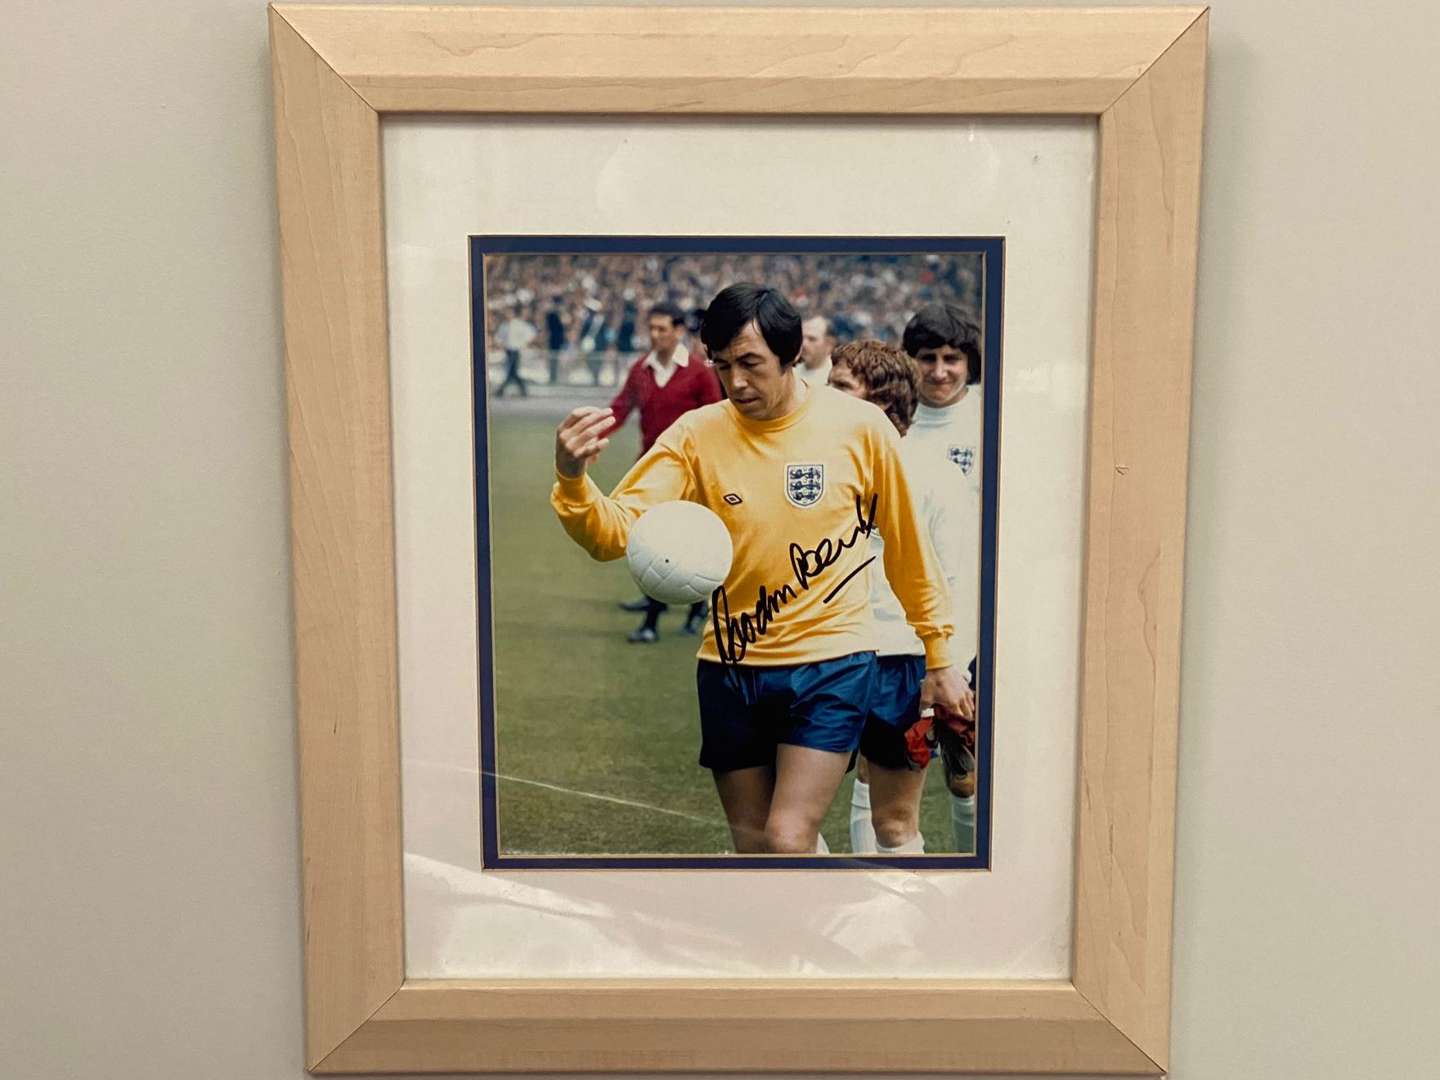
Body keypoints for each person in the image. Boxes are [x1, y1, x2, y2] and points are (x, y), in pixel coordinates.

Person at [550, 283, 973, 855]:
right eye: (721, 366)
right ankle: (797, 942)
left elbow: (908, 553)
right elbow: (615, 534)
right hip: (729, 665)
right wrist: (574, 480)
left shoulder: (861, 428)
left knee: (788, 837)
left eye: (750, 363)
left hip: (830, 663)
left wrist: (940, 655)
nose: (736, 382)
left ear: (791, 354)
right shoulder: (696, 435)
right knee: (753, 847)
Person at [828, 341, 970, 855]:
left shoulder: (933, 475)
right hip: (820, 655)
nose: (825, 398)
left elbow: (957, 580)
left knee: (893, 824)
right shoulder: (817, 468)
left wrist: (948, 668)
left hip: (901, 664)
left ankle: (887, 929)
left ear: (881, 400)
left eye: (840, 387)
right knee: (787, 825)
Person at [900, 302, 984, 851]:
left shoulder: (991, 420)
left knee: (967, 772)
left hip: (975, 619)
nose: (939, 371)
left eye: (951, 358)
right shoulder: (892, 423)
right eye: (926, 357)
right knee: (884, 774)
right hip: (899, 625)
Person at [605, 302, 725, 641]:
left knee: (674, 543)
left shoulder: (699, 372)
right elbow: (620, 408)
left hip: (690, 471)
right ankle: (688, 606)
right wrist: (591, 437)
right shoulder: (640, 369)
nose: (655, 335)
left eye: (662, 329)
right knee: (653, 540)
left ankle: (653, 624)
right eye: (652, 329)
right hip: (651, 467)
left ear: (678, 331)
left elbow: (716, 419)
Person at [494, 307, 536, 398]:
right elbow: (498, 338)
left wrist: (523, 343)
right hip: (508, 351)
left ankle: (500, 390)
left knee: (510, 371)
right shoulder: (504, 326)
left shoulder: (519, 324)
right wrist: (501, 344)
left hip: (515, 350)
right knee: (513, 372)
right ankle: (523, 390)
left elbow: (531, 333)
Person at [796, 315, 835, 387]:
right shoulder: (794, 372)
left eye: (812, 339)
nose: (804, 344)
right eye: (802, 337)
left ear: (829, 344)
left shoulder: (834, 377)